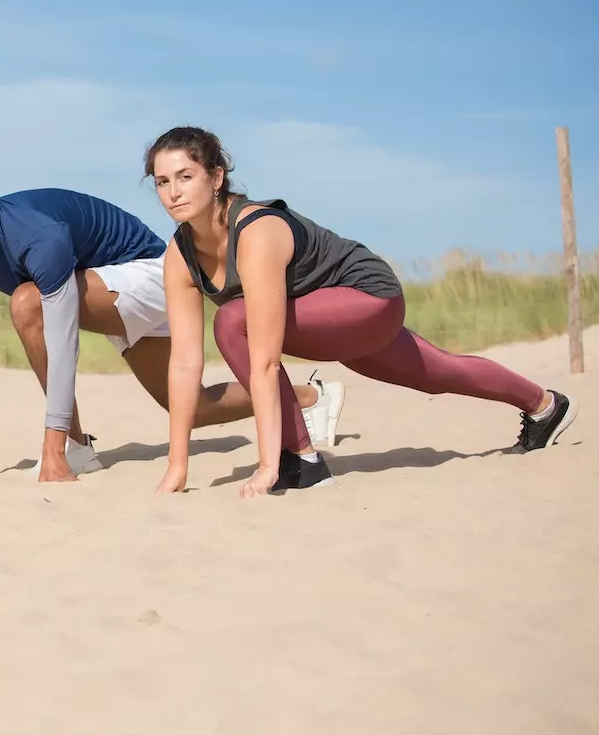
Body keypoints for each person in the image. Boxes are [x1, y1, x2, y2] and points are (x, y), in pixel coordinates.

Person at [150, 125, 579, 498]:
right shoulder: (179, 254)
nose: (173, 192)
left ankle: (302, 460)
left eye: (186, 177)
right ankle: (544, 405)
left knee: (232, 320)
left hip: (366, 298)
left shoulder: (257, 231)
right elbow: (185, 364)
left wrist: (268, 466)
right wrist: (177, 466)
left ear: (216, 177)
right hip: (326, 320)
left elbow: (264, 360)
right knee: (437, 373)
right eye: (162, 181)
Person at [0, 150, 342, 483]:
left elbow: (60, 336)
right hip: (104, 291)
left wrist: (54, 442)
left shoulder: (36, 234)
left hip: (153, 274)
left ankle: (72, 446)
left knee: (26, 303)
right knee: (189, 406)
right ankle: (310, 397)